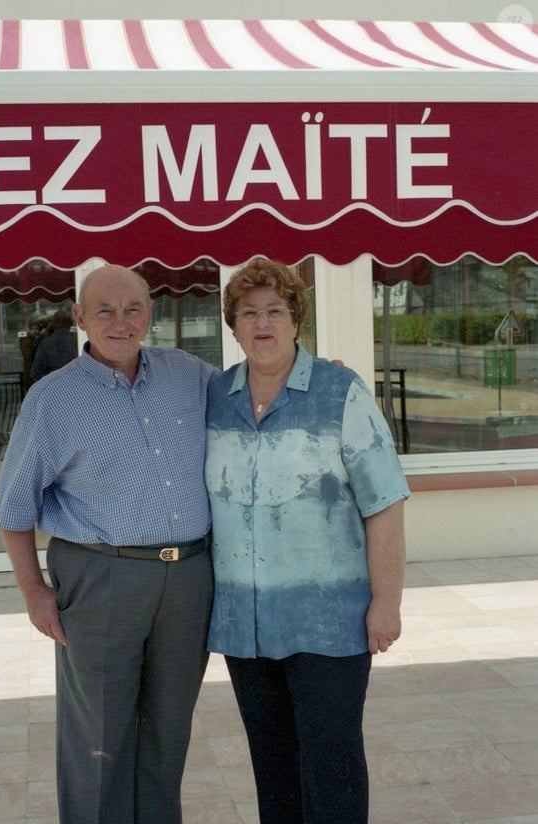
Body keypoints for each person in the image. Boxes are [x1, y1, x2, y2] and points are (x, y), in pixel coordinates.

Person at [0, 265, 215, 824]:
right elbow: (13, 508)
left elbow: (258, 392)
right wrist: (32, 592)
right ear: (80, 318)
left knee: (168, 730)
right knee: (99, 739)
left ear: (151, 314)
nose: (121, 322)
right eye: (106, 311)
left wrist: (319, 377)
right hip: (101, 578)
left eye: (133, 308)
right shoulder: (54, 399)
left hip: (189, 578)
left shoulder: (190, 375)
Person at [204, 259, 409, 824]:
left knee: (332, 763)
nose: (262, 322)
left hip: (330, 624)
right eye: (249, 312)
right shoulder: (214, 396)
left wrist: (386, 604)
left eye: (275, 310)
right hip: (246, 626)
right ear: (234, 324)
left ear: (296, 319)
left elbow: (385, 502)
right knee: (272, 767)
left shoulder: (339, 391)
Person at [30, 308, 77, 381]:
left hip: (51, 385)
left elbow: (36, 373)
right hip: (75, 384)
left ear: (54, 324)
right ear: (70, 323)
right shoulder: (78, 341)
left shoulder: (45, 343)